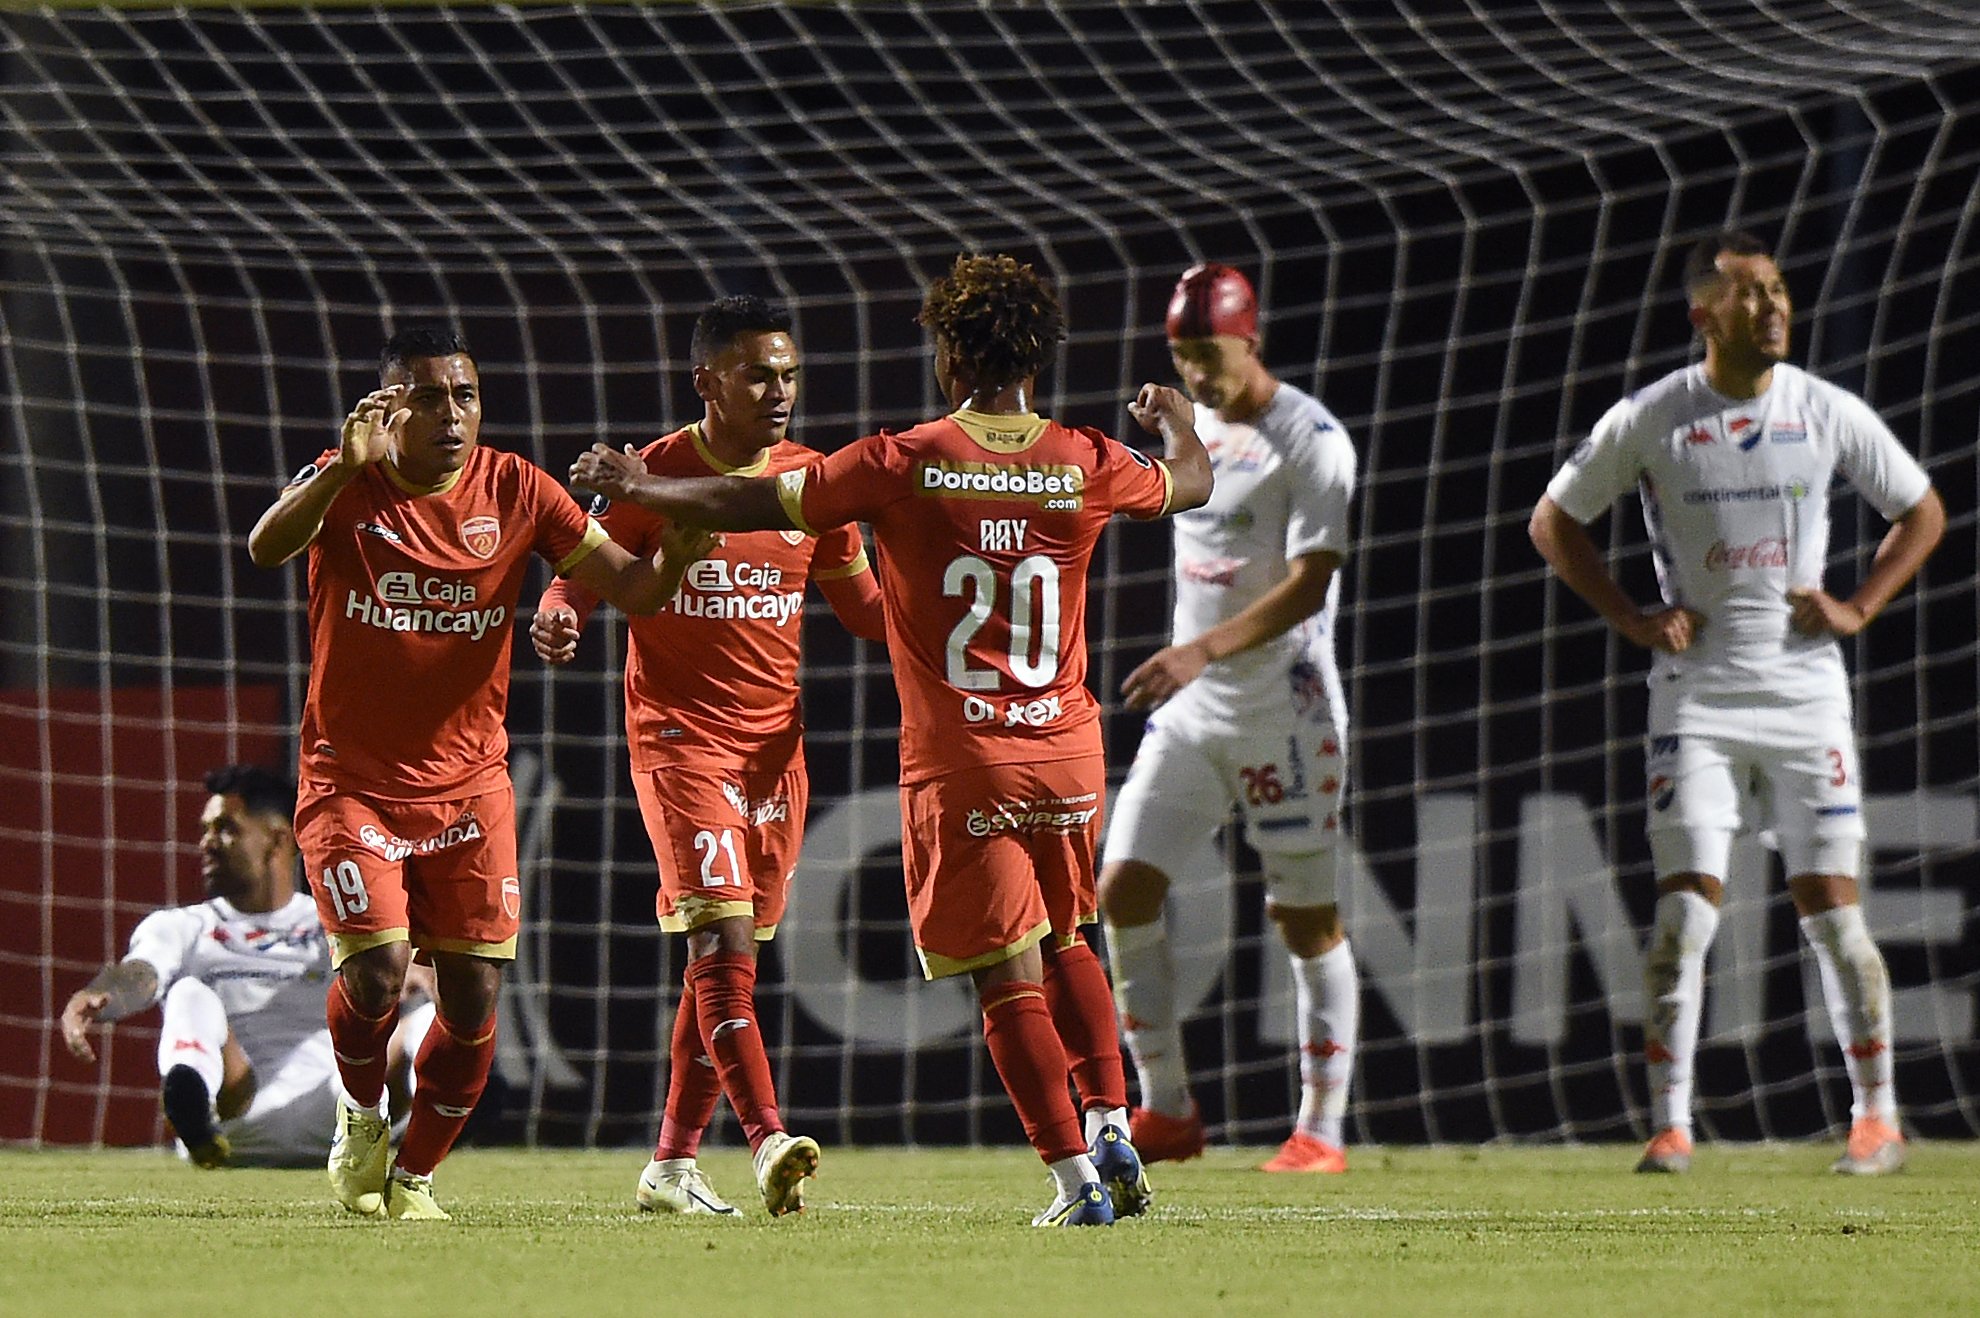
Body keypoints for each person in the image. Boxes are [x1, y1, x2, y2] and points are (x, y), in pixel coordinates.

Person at [570, 253, 1214, 1226]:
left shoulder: (901, 460)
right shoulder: (1084, 458)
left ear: (951, 353)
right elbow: (1192, 486)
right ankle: (1112, 1120)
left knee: (1007, 975)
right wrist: (1183, 427)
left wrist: (643, 489)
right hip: (1068, 748)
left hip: (961, 757)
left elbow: (762, 503)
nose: (780, 392)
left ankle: (1078, 1182)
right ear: (1037, 351)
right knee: (1071, 938)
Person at [1529, 230, 1945, 1176]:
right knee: (1686, 920)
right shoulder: (1655, 416)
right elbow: (1553, 520)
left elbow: (1921, 510)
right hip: (1699, 697)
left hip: (1805, 692)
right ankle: (1669, 1125)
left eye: (1778, 290)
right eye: (1750, 293)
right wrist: (1633, 617)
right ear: (1703, 313)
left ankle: (1876, 1121)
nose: (1772, 306)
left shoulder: (1825, 410)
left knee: (1837, 916)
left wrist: (1859, 605)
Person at [248, 326, 685, 1219]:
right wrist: (336, 471)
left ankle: (413, 1178)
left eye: (466, 396)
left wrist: (683, 526)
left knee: (476, 997)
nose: (453, 415)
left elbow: (634, 590)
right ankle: (361, 1118)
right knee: (375, 974)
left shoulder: (519, 488)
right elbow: (264, 548)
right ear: (389, 406)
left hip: (470, 781)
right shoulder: (347, 476)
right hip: (350, 776)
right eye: (430, 397)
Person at [531, 295, 886, 1218]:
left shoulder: (812, 481)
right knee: (719, 939)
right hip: (680, 741)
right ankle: (770, 1139)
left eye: (790, 375)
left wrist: (967, 627)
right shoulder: (655, 475)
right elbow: (581, 578)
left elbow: (868, 613)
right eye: (759, 375)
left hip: (777, 754)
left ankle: (671, 1166)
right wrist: (560, 617)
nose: (780, 392)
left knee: (729, 963)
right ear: (708, 382)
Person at [1098, 263, 1362, 1174]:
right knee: (1122, 889)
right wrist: (1175, 419)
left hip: (1284, 713)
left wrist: (1202, 650)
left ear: (1252, 338)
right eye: (1183, 356)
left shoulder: (1313, 440)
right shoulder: (1199, 425)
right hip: (1192, 715)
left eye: (1209, 355)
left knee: (1305, 920)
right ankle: (1167, 1109)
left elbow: (1313, 582)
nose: (1199, 374)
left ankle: (1320, 1133)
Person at [58, 765, 436, 1168]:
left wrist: (410, 972)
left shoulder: (339, 925)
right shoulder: (184, 926)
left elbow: (411, 978)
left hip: (340, 1109)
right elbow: (141, 971)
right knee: (187, 992)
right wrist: (105, 993)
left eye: (225, 829)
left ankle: (443, 1109)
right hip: (237, 1106)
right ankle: (194, 1113)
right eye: (205, 830)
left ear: (277, 839)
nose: (207, 843)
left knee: (425, 1018)